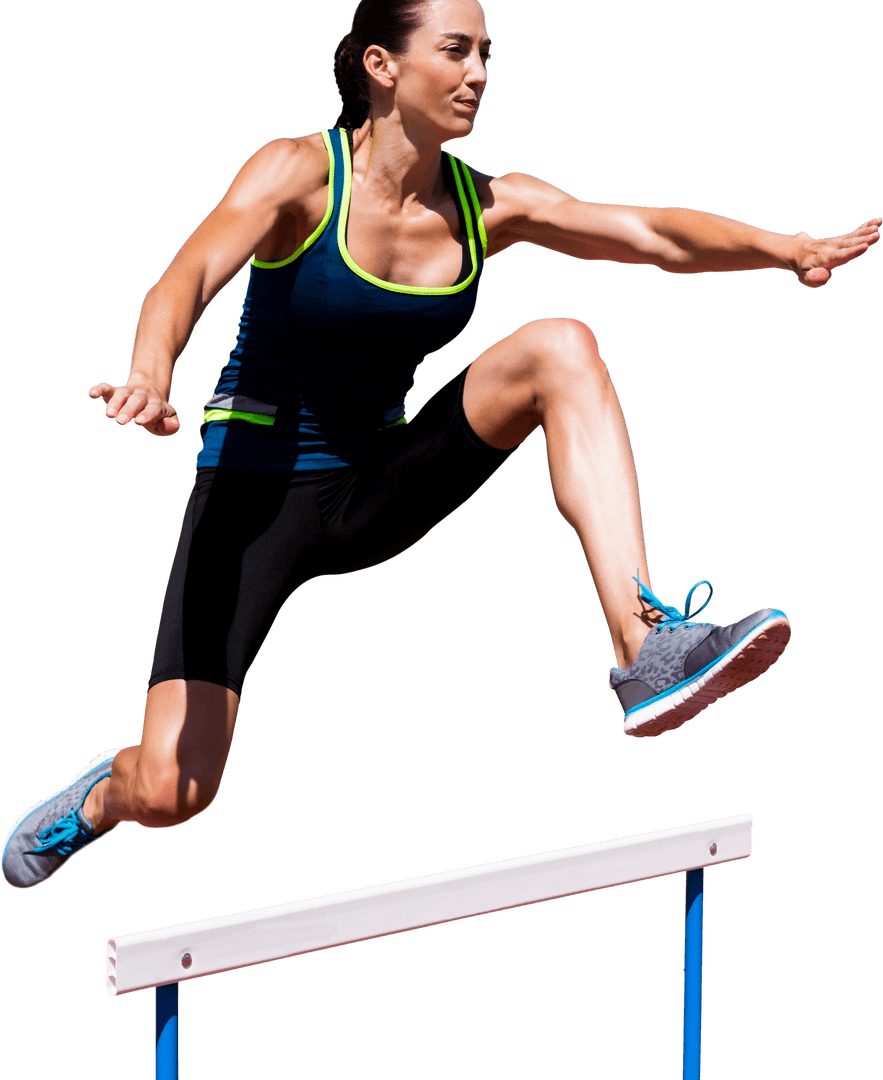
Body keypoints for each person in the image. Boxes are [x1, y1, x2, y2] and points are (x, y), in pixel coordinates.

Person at [2, 0, 878, 890]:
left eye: (488, 54)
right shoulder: (297, 173)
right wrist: (152, 373)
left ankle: (643, 644)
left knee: (559, 346)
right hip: (252, 500)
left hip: (375, 485)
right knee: (175, 789)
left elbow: (650, 234)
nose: (479, 74)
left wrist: (782, 246)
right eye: (455, 51)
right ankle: (98, 796)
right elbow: (183, 275)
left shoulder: (489, 204)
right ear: (381, 66)